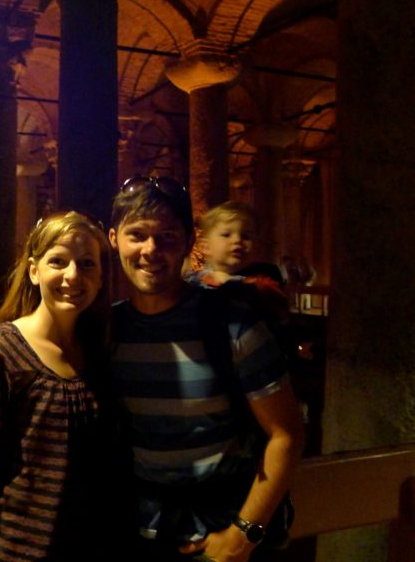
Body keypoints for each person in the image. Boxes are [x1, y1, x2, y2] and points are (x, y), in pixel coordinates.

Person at [107, 176, 305, 562]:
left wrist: (244, 534)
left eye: (166, 236)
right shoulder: (108, 330)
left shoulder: (232, 323)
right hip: (139, 532)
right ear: (114, 240)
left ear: (187, 242)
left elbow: (287, 433)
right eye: (137, 235)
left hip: (220, 535)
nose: (151, 250)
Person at [0, 211, 114, 562]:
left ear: (100, 276)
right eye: (58, 261)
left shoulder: (98, 351)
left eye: (87, 263)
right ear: (34, 271)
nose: (73, 275)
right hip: (18, 553)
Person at [188, 201, 290, 330]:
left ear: (256, 246)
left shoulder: (264, 286)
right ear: (205, 246)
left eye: (246, 236)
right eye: (226, 235)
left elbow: (280, 320)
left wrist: (231, 282)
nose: (237, 240)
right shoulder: (192, 283)